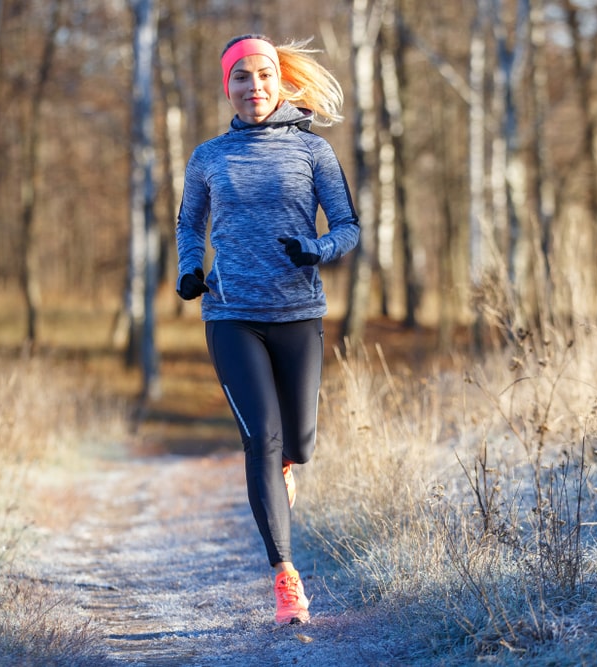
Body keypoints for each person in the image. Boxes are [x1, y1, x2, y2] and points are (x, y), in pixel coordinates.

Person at [175, 34, 359, 625]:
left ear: (279, 82)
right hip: (231, 314)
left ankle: (283, 470)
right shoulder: (208, 157)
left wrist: (316, 249)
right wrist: (189, 269)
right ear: (226, 86)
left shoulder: (313, 151)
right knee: (262, 439)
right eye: (240, 76)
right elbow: (189, 224)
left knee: (297, 444)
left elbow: (348, 226)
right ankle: (286, 580)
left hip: (297, 312)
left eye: (263, 75)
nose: (252, 86)